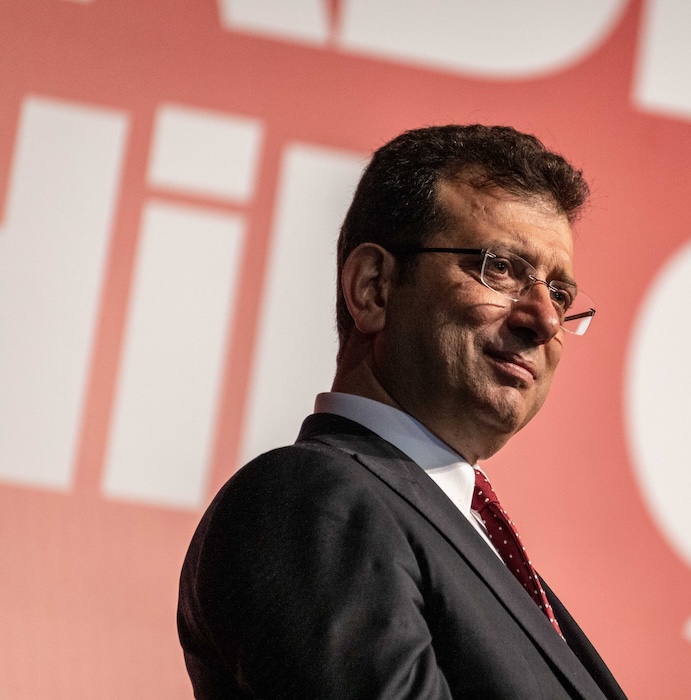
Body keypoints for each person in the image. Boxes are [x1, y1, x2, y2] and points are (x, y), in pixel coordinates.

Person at [177, 124, 626, 699]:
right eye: (500, 268)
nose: (543, 319)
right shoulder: (311, 500)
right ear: (374, 288)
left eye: (560, 295)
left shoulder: (473, 541)